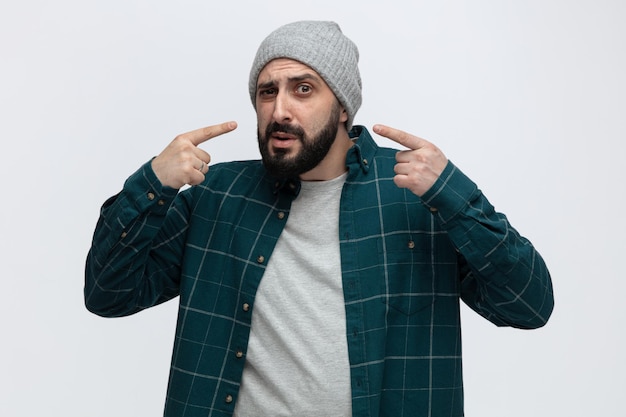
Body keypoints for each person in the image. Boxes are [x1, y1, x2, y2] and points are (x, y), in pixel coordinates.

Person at [85, 20, 554, 417]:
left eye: (303, 89)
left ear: (344, 107)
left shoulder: (416, 197)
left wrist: (454, 194)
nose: (280, 110)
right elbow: (109, 294)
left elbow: (528, 306)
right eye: (267, 92)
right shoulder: (214, 197)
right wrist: (152, 182)